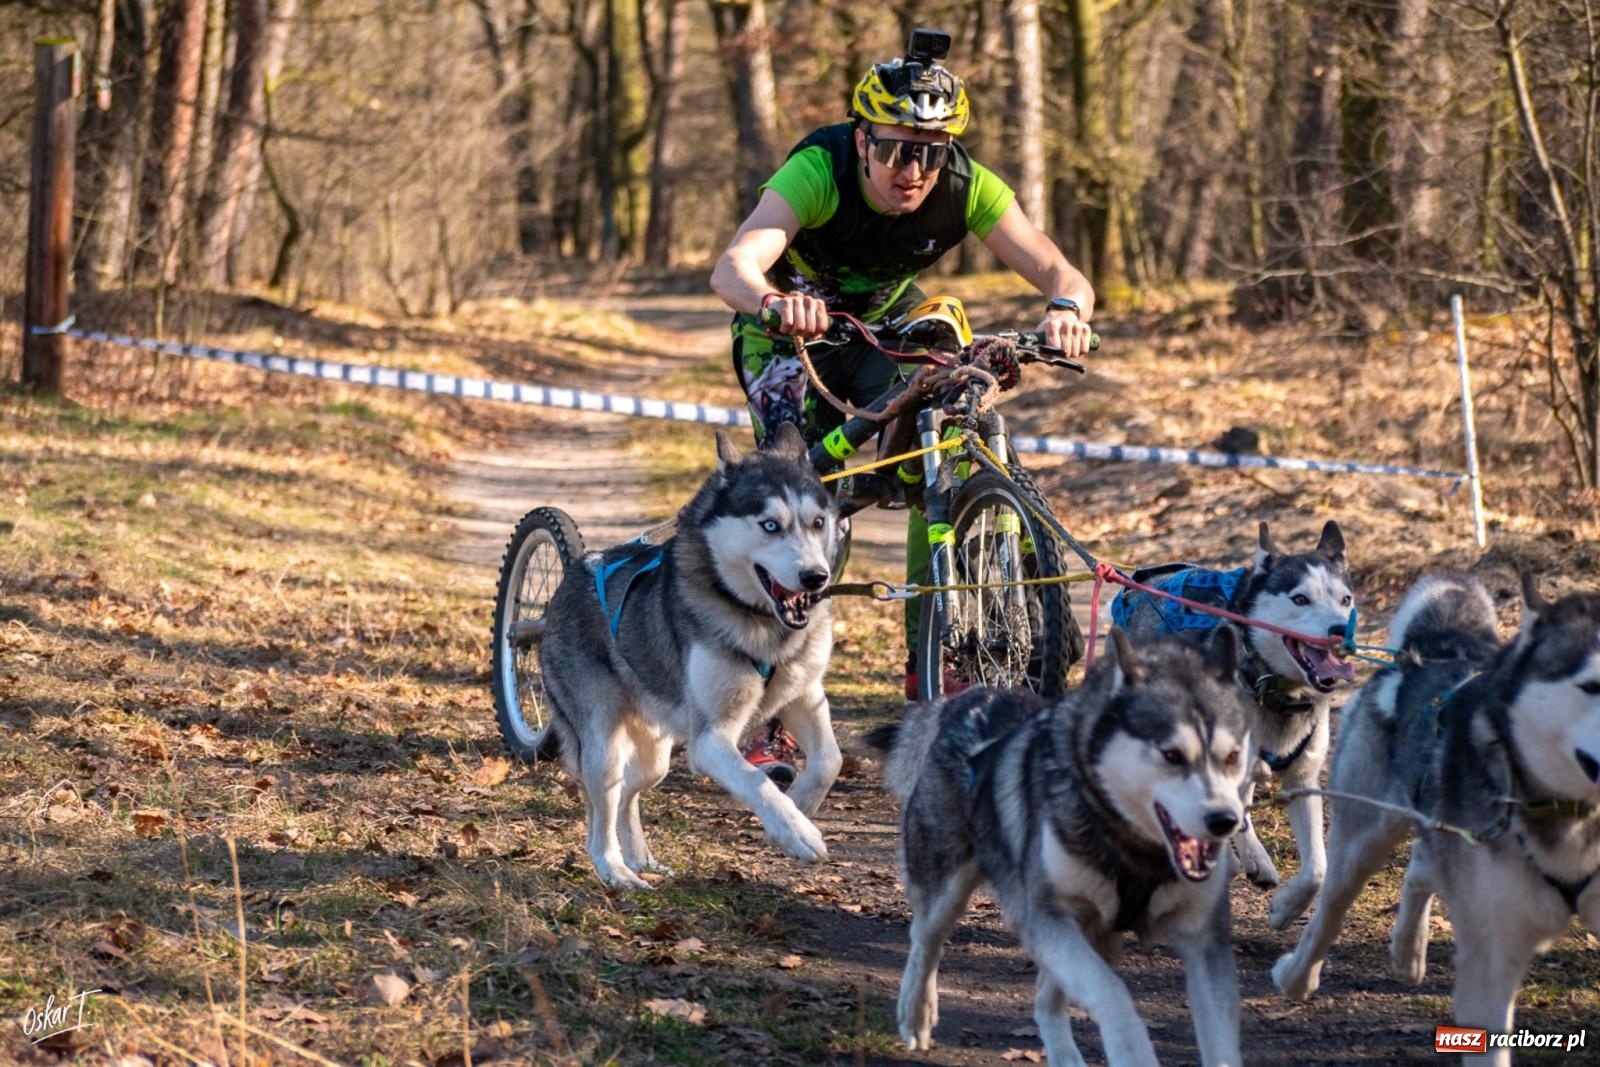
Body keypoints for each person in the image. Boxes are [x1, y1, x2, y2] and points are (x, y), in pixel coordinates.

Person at [709, 28, 1096, 774]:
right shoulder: (819, 168)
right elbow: (736, 263)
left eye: (931, 150)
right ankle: (764, 712)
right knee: (801, 501)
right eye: (894, 149)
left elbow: (1057, 267)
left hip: (883, 327)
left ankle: (938, 662)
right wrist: (772, 302)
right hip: (791, 330)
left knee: (944, 429)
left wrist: (1067, 309)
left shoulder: (965, 184)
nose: (912, 169)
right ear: (863, 141)